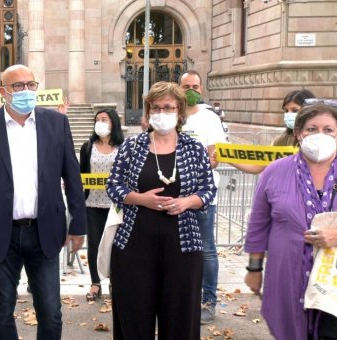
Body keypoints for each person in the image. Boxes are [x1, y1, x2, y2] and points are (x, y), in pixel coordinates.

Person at [0, 64, 86, 340]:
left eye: (31, 84)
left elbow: (72, 176)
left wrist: (78, 226)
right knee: (2, 310)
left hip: (46, 232)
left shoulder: (56, 122)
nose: (26, 91)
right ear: (3, 91)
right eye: (18, 86)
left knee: (51, 312)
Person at [106, 81, 216, 339]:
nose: (161, 113)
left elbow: (208, 190)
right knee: (133, 318)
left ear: (180, 112)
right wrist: (140, 199)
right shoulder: (132, 147)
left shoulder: (194, 148)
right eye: (155, 108)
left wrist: (187, 202)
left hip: (183, 248)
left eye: (168, 107)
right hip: (133, 246)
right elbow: (113, 185)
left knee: (180, 320)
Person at [244, 102, 337, 340]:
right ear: (298, 133)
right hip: (286, 273)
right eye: (311, 129)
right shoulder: (275, 171)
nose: (319, 135)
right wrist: (254, 269)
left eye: (328, 130)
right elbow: (259, 222)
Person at [179, 70, 227, 324]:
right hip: (173, 197)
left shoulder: (209, 119)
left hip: (202, 196)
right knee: (178, 250)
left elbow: (215, 158)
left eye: (195, 86)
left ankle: (208, 301)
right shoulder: (173, 116)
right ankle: (182, 299)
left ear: (201, 89)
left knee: (206, 249)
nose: (191, 90)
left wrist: (191, 169)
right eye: (186, 85)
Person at [79, 108, 124, 302]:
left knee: (116, 245)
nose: (100, 122)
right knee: (94, 245)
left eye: (104, 119)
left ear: (113, 122)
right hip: (92, 204)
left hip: (116, 206)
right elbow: (82, 173)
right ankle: (95, 283)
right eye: (97, 119)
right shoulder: (88, 146)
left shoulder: (123, 147)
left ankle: (117, 281)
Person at [222, 89, 316, 175]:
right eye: (286, 111)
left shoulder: (319, 140)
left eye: (295, 110)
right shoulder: (281, 141)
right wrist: (224, 155)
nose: (289, 115)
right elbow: (257, 166)